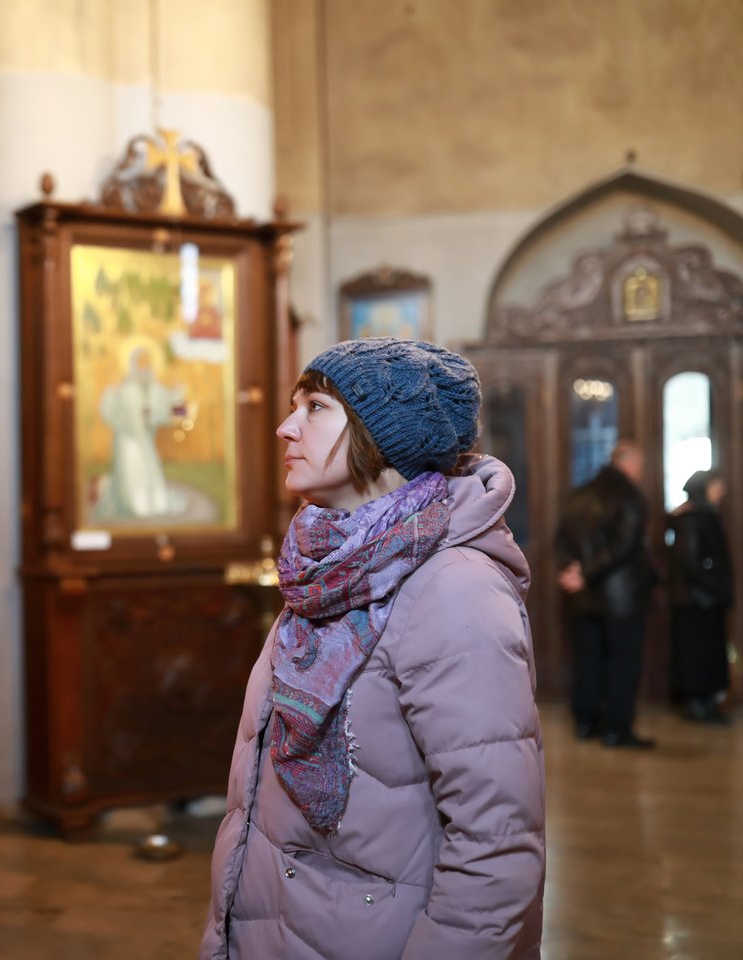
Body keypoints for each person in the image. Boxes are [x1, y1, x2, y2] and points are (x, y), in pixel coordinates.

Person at [201, 338, 545, 959]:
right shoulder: (325, 569)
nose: (285, 428)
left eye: (314, 408)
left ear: (378, 436)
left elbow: (495, 848)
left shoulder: (454, 589)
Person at [554, 440, 658, 748]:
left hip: (583, 596)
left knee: (588, 658)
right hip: (620, 595)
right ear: (630, 463)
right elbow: (623, 545)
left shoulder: (579, 494)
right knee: (623, 662)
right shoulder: (630, 496)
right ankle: (617, 729)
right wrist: (585, 573)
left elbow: (560, 541)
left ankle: (585, 722)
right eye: (640, 463)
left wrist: (572, 572)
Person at [666, 470, 733, 723]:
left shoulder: (704, 515)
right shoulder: (693, 518)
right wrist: (712, 585)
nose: (722, 490)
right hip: (697, 601)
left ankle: (707, 703)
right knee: (698, 655)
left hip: (705, 599)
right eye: (718, 485)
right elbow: (691, 562)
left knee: (707, 654)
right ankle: (698, 705)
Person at [95, 344, 188, 520]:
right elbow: (110, 410)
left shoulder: (154, 388)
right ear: (133, 364)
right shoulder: (125, 389)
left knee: (149, 476)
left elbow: (170, 406)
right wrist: (111, 397)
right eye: (140, 362)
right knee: (132, 473)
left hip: (145, 440)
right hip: (128, 441)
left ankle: (150, 503)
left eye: (147, 362)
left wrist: (178, 395)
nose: (144, 367)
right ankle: (133, 503)